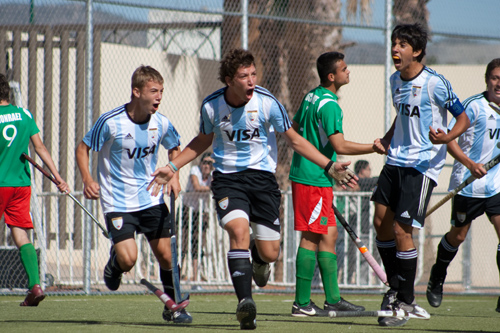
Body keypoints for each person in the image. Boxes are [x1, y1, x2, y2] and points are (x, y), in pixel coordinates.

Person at [146, 48, 357, 330]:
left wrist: (328, 165)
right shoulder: (211, 106)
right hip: (228, 180)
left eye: (253, 74)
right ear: (228, 80)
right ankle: (246, 303)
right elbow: (202, 140)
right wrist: (173, 167)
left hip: (263, 181)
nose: (250, 81)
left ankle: (259, 259)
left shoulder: (267, 103)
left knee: (270, 252)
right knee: (239, 231)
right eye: (243, 76)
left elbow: (295, 140)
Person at [75, 65, 192, 324]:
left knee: (167, 256)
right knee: (129, 259)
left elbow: (174, 147)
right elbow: (82, 148)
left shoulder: (161, 123)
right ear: (136, 92)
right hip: (117, 201)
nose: (159, 96)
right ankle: (115, 264)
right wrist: (87, 179)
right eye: (154, 91)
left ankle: (175, 307)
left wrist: (175, 175)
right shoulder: (110, 121)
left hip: (150, 198)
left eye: (161, 91)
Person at [371, 23, 470, 327]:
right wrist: (388, 139)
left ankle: (405, 301)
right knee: (380, 223)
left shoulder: (435, 83)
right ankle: (394, 288)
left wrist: (446, 137)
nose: (395, 50)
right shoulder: (393, 80)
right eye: (394, 44)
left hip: (422, 165)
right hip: (395, 160)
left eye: (402, 45)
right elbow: (400, 119)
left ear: (417, 51)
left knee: (403, 232)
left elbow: (462, 117)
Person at [289, 51, 384, 317]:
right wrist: (373, 148)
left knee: (329, 234)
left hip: (316, 176)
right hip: (313, 179)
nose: (348, 71)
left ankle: (333, 299)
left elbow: (295, 128)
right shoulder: (330, 104)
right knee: (310, 236)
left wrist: (326, 162)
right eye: (344, 68)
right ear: (332, 76)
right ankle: (302, 303)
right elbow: (339, 145)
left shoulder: (311, 96)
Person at [426, 58, 500, 311]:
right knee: (457, 236)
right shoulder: (473, 106)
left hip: (496, 187)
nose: (499, 83)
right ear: (487, 80)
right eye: (495, 78)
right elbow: (449, 140)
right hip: (468, 185)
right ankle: (438, 275)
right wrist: (470, 164)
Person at [0, 73, 69, 306]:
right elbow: (40, 147)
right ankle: (35, 285)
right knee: (21, 235)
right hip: (21, 186)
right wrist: (58, 177)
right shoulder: (24, 114)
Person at [180, 151, 214, 283]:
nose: (206, 166)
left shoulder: (212, 176)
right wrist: (212, 188)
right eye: (205, 162)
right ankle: (177, 273)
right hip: (187, 210)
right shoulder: (195, 170)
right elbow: (197, 187)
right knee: (182, 243)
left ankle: (196, 275)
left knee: (198, 243)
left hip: (201, 212)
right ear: (200, 163)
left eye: (210, 163)